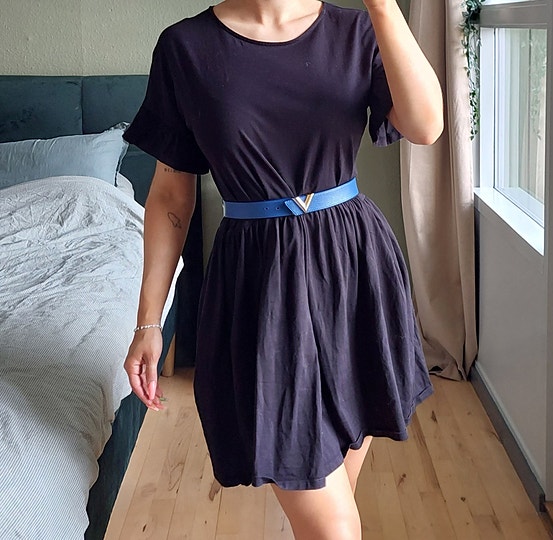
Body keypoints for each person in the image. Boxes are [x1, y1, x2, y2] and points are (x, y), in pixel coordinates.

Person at [123, 0, 442, 538]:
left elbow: (427, 125)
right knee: (333, 526)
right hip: (260, 287)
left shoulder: (358, 29)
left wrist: (384, 9)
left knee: (332, 509)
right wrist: (149, 320)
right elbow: (171, 196)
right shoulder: (186, 48)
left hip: (353, 273)